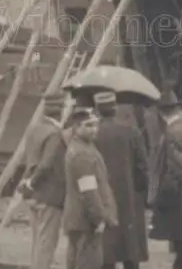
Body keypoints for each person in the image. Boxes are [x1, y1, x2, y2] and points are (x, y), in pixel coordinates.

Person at [93, 92, 149, 269]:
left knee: (106, 249)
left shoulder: (93, 134)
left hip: (101, 195)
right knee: (130, 248)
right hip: (129, 197)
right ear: (115, 108)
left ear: (97, 110)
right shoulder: (131, 131)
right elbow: (142, 167)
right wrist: (139, 190)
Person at [148, 101, 182, 269]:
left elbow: (175, 170)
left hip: (179, 201)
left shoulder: (173, 133)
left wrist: (163, 199)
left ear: (161, 113)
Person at [63, 107, 118, 269]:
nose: (94, 129)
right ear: (77, 127)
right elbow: (89, 191)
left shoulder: (80, 147)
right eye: (88, 125)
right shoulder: (83, 154)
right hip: (85, 221)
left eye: (95, 125)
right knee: (88, 263)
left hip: (78, 219)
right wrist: (98, 218)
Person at [22, 93, 68, 269]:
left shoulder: (34, 128)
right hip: (49, 195)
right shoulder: (55, 134)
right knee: (47, 244)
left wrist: (29, 183)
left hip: (31, 193)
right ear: (60, 111)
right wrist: (34, 181)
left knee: (36, 241)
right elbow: (46, 164)